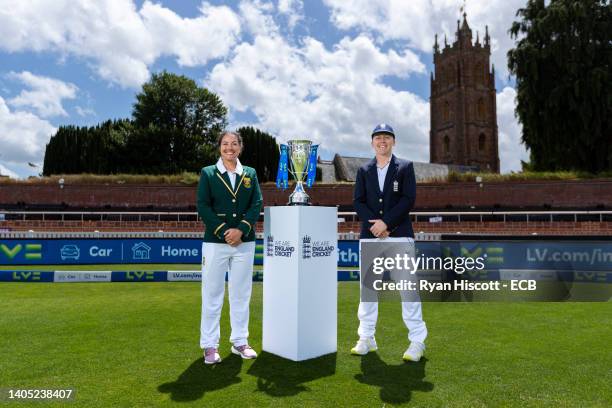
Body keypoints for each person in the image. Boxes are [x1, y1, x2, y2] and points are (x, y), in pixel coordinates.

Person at [351, 123, 428, 362]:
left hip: (400, 235)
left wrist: (387, 223)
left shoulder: (405, 167)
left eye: (386, 138)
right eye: (378, 138)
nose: (382, 141)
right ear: (372, 142)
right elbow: (358, 201)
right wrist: (375, 226)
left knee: (407, 290)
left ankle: (417, 341)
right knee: (368, 290)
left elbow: (408, 199)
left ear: (393, 142)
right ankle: (366, 338)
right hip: (370, 237)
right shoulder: (364, 170)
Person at [197, 130, 263, 365]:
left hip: (244, 242)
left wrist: (242, 229)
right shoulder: (208, 173)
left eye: (234, 144)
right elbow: (203, 206)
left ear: (240, 147)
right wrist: (225, 230)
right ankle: (210, 345)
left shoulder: (250, 173)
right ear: (219, 147)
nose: (230, 148)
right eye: (225, 144)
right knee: (212, 295)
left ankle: (240, 342)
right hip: (216, 242)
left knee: (241, 294)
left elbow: (257, 203)